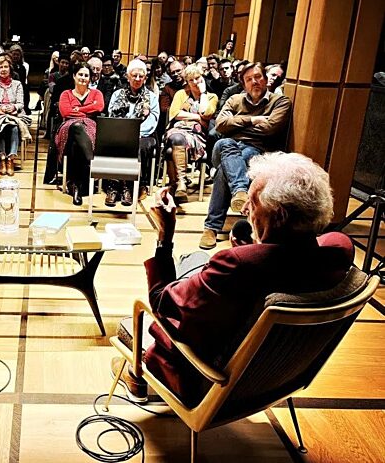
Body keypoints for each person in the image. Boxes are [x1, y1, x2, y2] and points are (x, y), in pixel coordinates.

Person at [111, 152, 354, 405]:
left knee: (136, 319)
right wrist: (255, 248)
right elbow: (277, 263)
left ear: (280, 215)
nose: (245, 210)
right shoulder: (337, 252)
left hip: (209, 381)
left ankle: (135, 373)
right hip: (275, 378)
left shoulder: (234, 266)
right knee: (193, 259)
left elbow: (161, 303)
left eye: (252, 202)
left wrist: (165, 234)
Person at [200, 62, 292, 249]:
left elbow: (271, 128)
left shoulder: (280, 102)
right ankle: (239, 190)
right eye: (249, 79)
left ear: (266, 79)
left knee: (223, 172)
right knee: (225, 143)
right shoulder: (235, 99)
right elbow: (220, 124)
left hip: (256, 149)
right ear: (243, 84)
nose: (254, 82)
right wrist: (252, 120)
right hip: (225, 148)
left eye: (258, 77)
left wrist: (236, 124)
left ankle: (211, 227)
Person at [106, 59, 159, 206]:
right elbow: (112, 115)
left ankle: (127, 187)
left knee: (138, 146)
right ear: (128, 77)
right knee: (116, 144)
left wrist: (135, 132)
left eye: (140, 76)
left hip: (144, 134)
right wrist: (125, 132)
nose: (137, 79)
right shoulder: (117, 95)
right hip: (120, 132)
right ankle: (114, 187)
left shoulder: (152, 97)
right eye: (134, 76)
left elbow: (153, 120)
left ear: (145, 78)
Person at [165, 64, 218, 204]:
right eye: (191, 80)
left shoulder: (212, 97)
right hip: (178, 129)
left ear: (203, 77)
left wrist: (203, 93)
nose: (195, 82)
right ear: (187, 81)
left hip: (197, 135)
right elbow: (175, 113)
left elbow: (206, 113)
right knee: (176, 137)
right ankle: (182, 182)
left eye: (198, 78)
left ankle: (174, 184)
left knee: (170, 150)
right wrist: (198, 118)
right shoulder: (181, 94)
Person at [53, 62, 104, 205]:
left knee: (77, 144)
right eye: (80, 74)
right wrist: (88, 109)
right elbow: (65, 112)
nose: (83, 77)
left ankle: (76, 185)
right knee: (76, 126)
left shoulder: (96, 93)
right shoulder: (66, 94)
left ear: (90, 78)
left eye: (86, 75)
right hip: (68, 127)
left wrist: (77, 109)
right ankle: (91, 162)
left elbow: (99, 106)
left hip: (91, 126)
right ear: (74, 76)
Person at [0, 55, 30, 176]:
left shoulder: (17, 84)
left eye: (6, 66)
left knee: (14, 127)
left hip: (15, 114)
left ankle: (10, 159)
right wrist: (1, 107)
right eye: (0, 67)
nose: (3, 69)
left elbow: (21, 103)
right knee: (0, 126)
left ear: (10, 68)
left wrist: (13, 107)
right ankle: (2, 158)